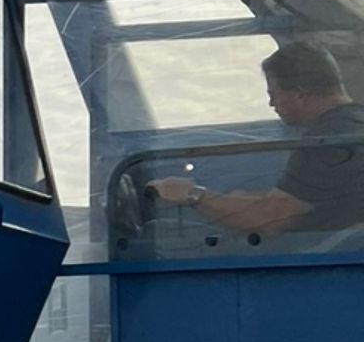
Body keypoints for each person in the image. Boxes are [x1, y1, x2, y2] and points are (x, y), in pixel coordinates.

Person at [150, 38, 364, 237]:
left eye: (273, 94)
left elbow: (271, 218)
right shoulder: (352, 125)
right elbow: (301, 200)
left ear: (299, 94)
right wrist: (243, 199)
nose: (272, 104)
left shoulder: (327, 141)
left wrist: (192, 194)